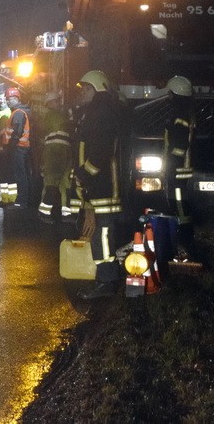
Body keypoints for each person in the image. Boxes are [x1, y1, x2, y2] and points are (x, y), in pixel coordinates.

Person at [72, 70, 129, 300]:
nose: (82, 92)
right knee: (98, 233)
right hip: (97, 185)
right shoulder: (95, 113)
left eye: (86, 88)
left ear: (97, 90)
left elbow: (101, 152)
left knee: (103, 233)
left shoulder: (101, 114)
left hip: (104, 185)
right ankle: (104, 278)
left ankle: (107, 281)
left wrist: (84, 174)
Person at [163, 75, 196, 257]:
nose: (168, 95)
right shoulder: (183, 112)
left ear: (176, 94)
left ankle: (185, 237)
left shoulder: (179, 114)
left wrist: (171, 161)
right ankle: (182, 236)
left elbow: (180, 145)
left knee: (179, 202)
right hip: (179, 167)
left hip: (179, 168)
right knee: (178, 202)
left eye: (170, 92)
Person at [36, 91, 74, 226]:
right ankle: (44, 212)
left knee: (66, 184)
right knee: (52, 182)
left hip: (64, 152)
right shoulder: (51, 115)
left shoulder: (56, 114)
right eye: (56, 101)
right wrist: (71, 117)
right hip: (55, 153)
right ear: (50, 103)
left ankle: (67, 213)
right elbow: (64, 125)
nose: (59, 103)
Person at [0, 87, 32, 209]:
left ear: (16, 98)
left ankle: (21, 202)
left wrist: (9, 149)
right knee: (19, 175)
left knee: (20, 176)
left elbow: (16, 134)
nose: (7, 101)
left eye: (9, 99)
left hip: (18, 149)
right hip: (18, 149)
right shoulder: (16, 112)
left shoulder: (18, 113)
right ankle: (20, 201)